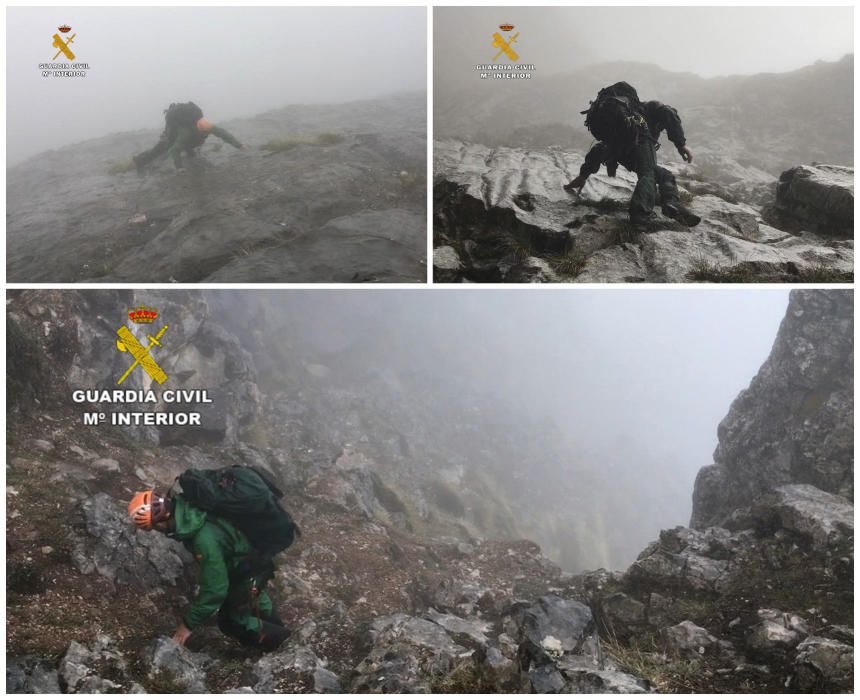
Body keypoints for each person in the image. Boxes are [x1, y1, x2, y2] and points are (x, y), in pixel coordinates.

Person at [127, 489, 289, 651]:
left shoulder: (202, 540)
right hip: (251, 558)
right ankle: (280, 629)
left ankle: (283, 644)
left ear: (160, 523)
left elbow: (215, 590)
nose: (159, 531)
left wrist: (187, 625)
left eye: (154, 528)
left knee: (232, 622)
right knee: (252, 595)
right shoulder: (189, 507)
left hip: (247, 566)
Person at [564, 82, 701, 229]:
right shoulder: (648, 110)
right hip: (639, 142)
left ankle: (670, 203)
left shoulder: (618, 129)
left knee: (664, 175)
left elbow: (598, 150)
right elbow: (668, 112)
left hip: (619, 149)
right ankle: (639, 216)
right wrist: (681, 145)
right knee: (648, 174)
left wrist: (583, 176)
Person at [133, 103, 247, 174]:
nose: (207, 134)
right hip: (172, 136)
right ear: (199, 129)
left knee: (192, 143)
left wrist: (239, 145)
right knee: (158, 150)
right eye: (205, 133)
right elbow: (174, 150)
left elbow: (223, 134)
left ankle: (189, 150)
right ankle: (139, 161)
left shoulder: (206, 125)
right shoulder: (185, 132)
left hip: (189, 138)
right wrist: (179, 168)